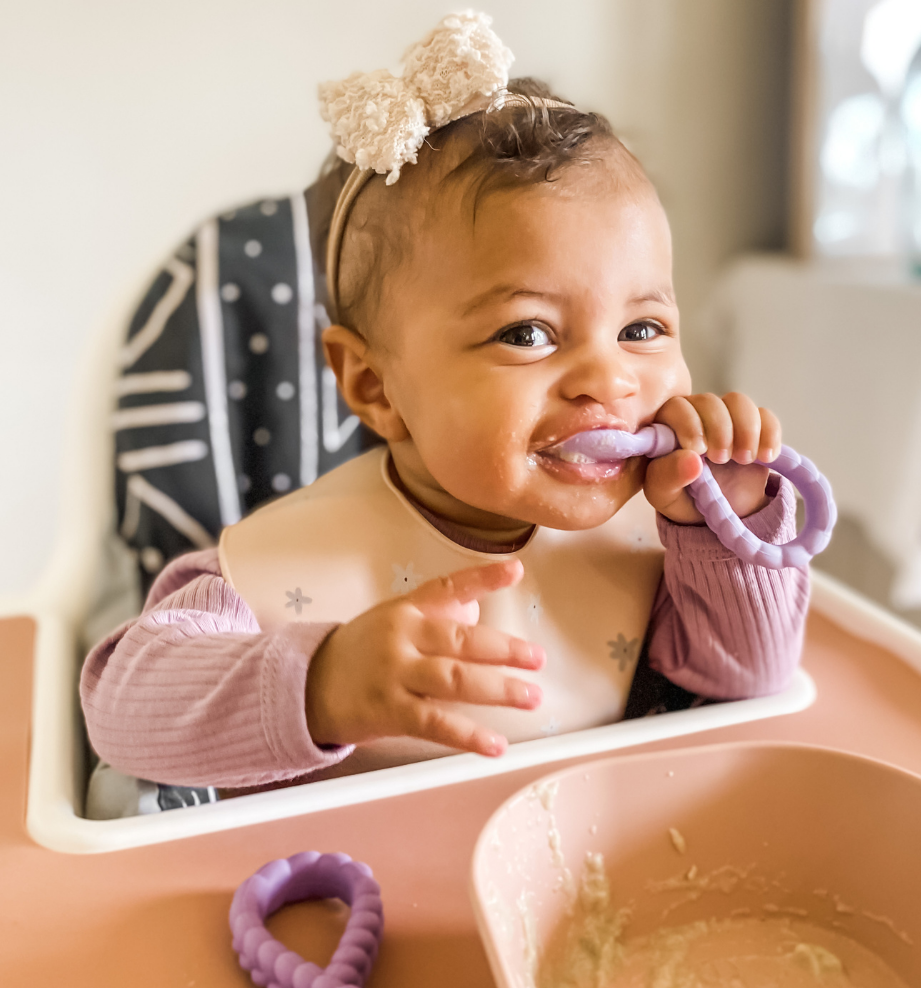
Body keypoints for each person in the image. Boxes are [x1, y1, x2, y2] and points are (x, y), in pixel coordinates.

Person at [81, 12, 810, 796]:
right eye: (527, 332)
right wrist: (320, 685)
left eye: (642, 327)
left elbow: (743, 689)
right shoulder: (285, 568)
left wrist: (725, 532)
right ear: (373, 386)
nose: (610, 379)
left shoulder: (656, 544)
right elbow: (119, 710)